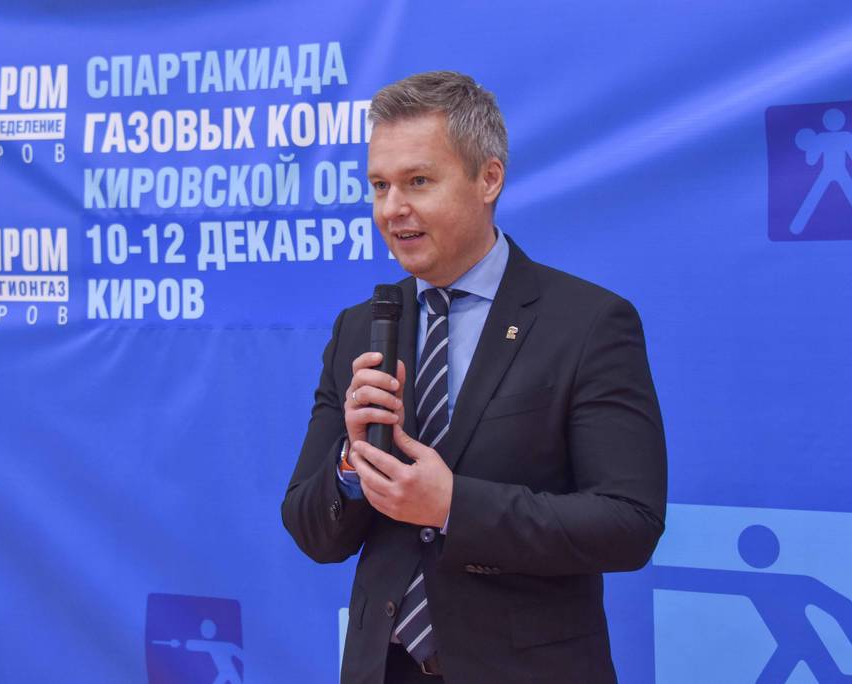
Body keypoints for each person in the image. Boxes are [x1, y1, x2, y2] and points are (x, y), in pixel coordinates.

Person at [281, 71, 667, 684]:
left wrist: (453, 505)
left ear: (488, 179)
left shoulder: (589, 323)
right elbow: (312, 530)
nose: (392, 209)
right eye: (379, 185)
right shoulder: (361, 328)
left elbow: (629, 525)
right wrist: (351, 464)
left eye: (418, 181)